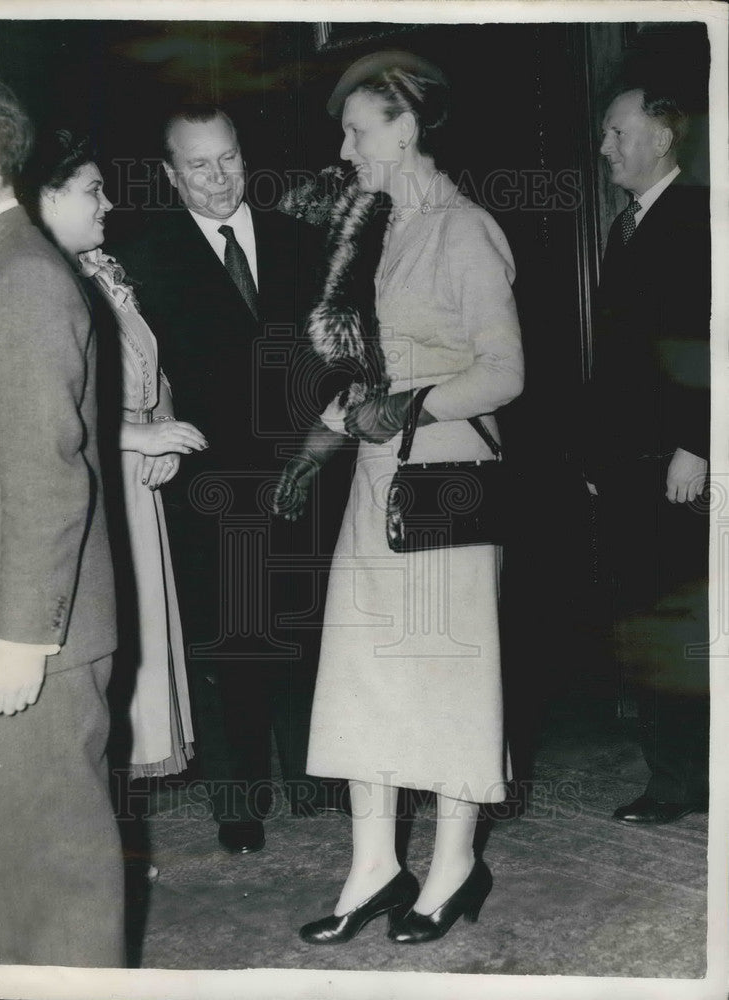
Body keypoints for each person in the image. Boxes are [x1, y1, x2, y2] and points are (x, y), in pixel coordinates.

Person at [274, 51, 524, 944]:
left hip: (450, 478)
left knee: (452, 677)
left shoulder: (466, 230)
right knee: (362, 671)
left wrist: (400, 407)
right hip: (381, 472)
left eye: (358, 131)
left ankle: (455, 865)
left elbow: (503, 373)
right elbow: (385, 367)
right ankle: (375, 863)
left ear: (407, 128)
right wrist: (326, 435)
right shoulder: (390, 228)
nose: (345, 151)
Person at [115, 103, 334, 855]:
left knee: (304, 623)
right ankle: (239, 802)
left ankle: (316, 778)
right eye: (200, 166)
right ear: (172, 176)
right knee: (227, 643)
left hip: (303, 467)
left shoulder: (304, 242)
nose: (219, 179)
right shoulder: (141, 257)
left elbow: (333, 362)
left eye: (230, 159)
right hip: (205, 479)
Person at [0, 75, 124, 965]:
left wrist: (22, 638)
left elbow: (49, 477)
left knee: (54, 886)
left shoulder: (21, 275)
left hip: (31, 636)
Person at [20, 129, 208, 781]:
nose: (108, 204)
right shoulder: (35, 283)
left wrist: (165, 432)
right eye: (92, 190)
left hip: (135, 483)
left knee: (134, 649)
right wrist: (139, 438)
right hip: (92, 485)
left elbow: (147, 373)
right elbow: (44, 412)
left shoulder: (101, 271)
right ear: (45, 197)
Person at [584, 86, 710, 824]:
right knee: (645, 620)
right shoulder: (627, 226)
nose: (606, 148)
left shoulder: (698, 218)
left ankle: (683, 779)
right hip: (630, 464)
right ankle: (675, 777)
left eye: (616, 132)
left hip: (677, 461)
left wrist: (696, 443)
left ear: (662, 138)